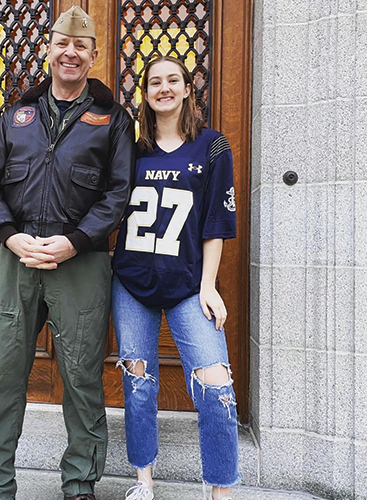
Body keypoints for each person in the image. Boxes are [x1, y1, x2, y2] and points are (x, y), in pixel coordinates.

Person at [0, 6, 134, 500]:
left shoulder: (112, 120)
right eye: (63, 43)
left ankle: (80, 482)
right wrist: (8, 233)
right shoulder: (17, 115)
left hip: (79, 261)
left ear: (94, 56)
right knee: (1, 373)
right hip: (18, 256)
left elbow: (118, 192)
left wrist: (74, 242)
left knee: (81, 376)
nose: (71, 52)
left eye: (81, 46)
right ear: (48, 48)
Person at [112, 56, 241, 500]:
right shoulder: (131, 149)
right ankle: (144, 481)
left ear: (188, 88)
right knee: (139, 381)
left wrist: (209, 285)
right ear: (144, 93)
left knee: (215, 382)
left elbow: (216, 223)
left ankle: (220, 490)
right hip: (132, 281)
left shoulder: (212, 146)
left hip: (189, 283)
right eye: (154, 83)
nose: (163, 88)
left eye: (173, 81)